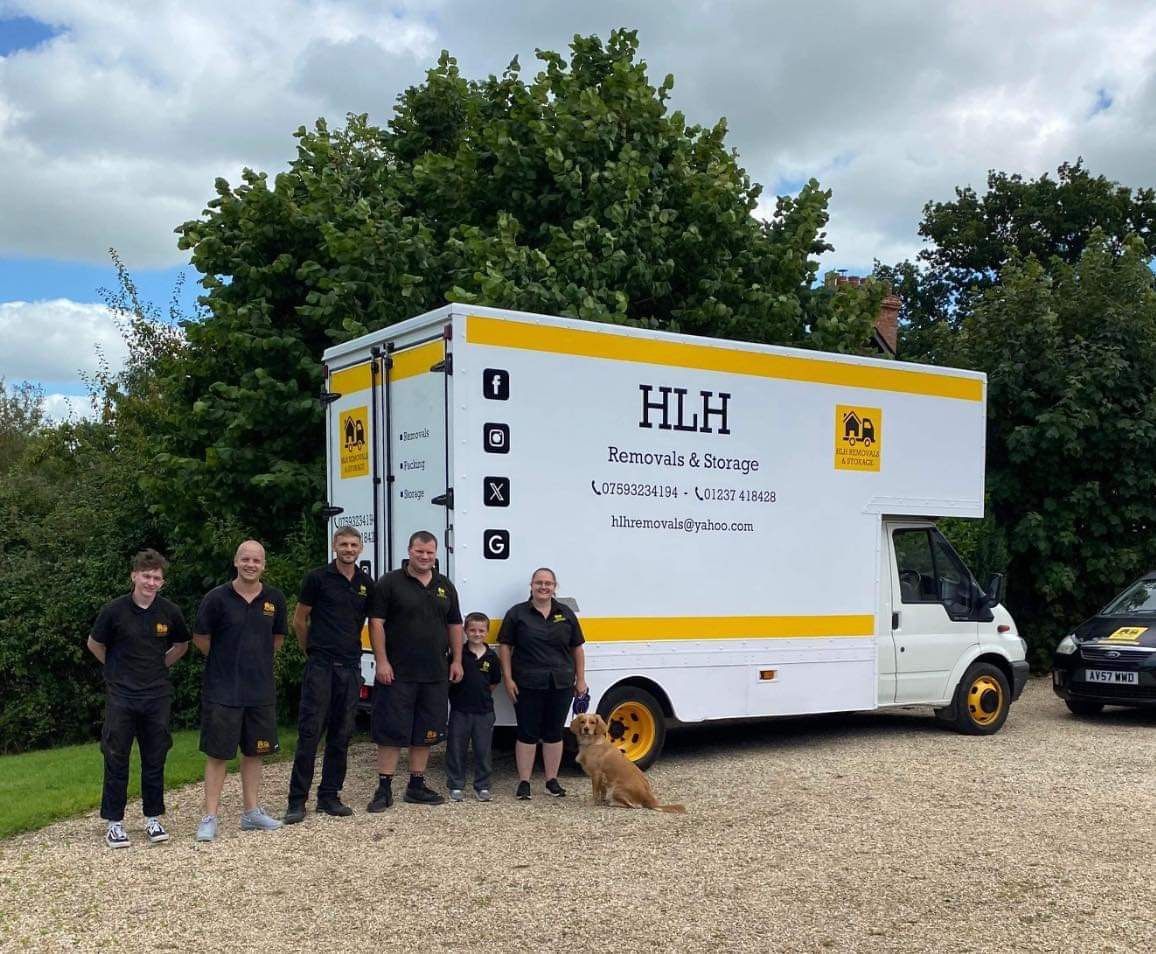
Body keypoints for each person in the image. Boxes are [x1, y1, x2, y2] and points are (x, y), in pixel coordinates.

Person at [87, 549, 190, 848]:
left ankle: (153, 818)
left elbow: (181, 645)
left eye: (157, 577)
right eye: (146, 576)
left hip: (156, 695)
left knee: (155, 757)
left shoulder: (169, 612)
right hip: (121, 695)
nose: (151, 582)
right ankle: (114, 823)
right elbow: (95, 643)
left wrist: (160, 665)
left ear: (163, 582)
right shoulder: (114, 611)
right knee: (116, 756)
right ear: (134, 576)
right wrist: (116, 668)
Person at [193, 539, 287, 841]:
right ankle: (210, 816)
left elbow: (276, 640)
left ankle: (251, 812)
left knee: (254, 752)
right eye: (245, 559)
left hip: (259, 690)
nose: (250, 565)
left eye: (256, 560)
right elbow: (201, 638)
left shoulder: (275, 599)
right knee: (218, 754)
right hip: (223, 689)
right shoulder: (216, 598)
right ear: (236, 562)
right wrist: (225, 662)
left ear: (264, 565)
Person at [366, 530, 463, 810]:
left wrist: (456, 660)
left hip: (435, 672)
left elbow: (455, 625)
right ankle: (384, 788)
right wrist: (381, 661)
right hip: (397, 672)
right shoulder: (390, 583)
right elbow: (376, 623)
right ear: (409, 551)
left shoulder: (445, 585)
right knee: (391, 730)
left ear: (436, 555)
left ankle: (416, 785)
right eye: (420, 551)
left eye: (430, 552)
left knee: (426, 730)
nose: (425, 557)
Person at [284, 526, 374, 824]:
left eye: (353, 544)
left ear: (360, 548)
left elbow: (372, 622)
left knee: (342, 734)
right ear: (335, 546)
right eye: (343, 544)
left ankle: (329, 796)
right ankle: (297, 801)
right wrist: (309, 650)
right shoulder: (318, 578)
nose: (348, 549)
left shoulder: (365, 583)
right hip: (321, 664)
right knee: (310, 733)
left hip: (350, 666)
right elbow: (299, 619)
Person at [498, 567, 587, 800]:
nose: (543, 587)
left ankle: (551, 780)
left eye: (548, 583)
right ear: (531, 585)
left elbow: (577, 647)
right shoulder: (517, 614)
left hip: (561, 683)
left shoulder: (565, 613)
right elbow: (505, 647)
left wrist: (581, 678)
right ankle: (524, 782)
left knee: (554, 733)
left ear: (555, 586)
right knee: (527, 732)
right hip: (527, 682)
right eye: (539, 583)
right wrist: (507, 679)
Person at [445, 612, 502, 802]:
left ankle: (483, 786)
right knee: (456, 749)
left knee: (483, 750)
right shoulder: (457, 655)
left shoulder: (492, 657)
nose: (477, 634)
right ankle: (455, 785)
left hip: (484, 711)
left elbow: (494, 682)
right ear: (465, 631)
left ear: (487, 632)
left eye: (481, 630)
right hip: (460, 710)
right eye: (472, 630)